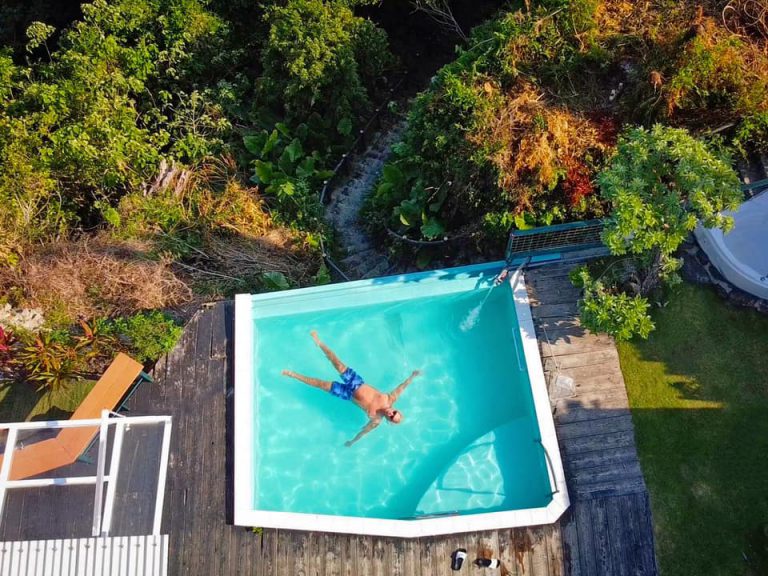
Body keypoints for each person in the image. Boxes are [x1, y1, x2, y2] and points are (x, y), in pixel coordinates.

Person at [282, 330, 420, 446]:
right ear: (396, 409)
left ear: (388, 421)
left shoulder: (376, 419)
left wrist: (352, 441)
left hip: (347, 394)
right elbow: (402, 387)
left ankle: (293, 375)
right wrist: (412, 376)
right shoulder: (390, 399)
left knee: (321, 384)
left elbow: (364, 431)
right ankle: (319, 342)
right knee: (338, 364)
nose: (391, 414)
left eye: (391, 418)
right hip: (356, 382)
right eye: (395, 413)